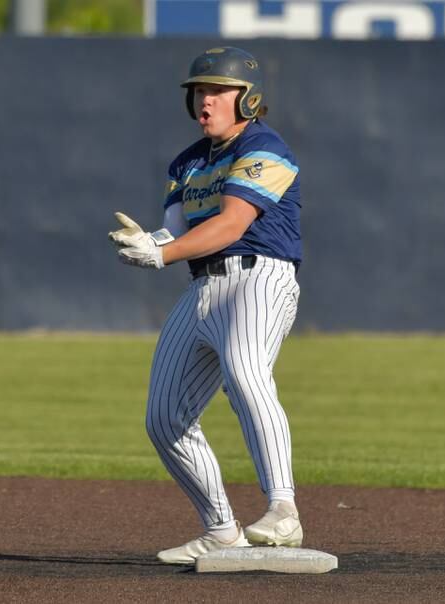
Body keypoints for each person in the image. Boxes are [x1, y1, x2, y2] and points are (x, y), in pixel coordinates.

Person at [108, 46, 303, 565]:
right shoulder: (187, 162)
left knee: (246, 372)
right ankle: (221, 530)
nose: (205, 100)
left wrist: (163, 252)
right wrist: (147, 241)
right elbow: (176, 231)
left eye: (218, 90)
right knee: (164, 418)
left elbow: (231, 225)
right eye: (199, 90)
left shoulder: (266, 146)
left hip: (259, 277)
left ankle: (283, 510)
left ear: (248, 98)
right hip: (203, 289)